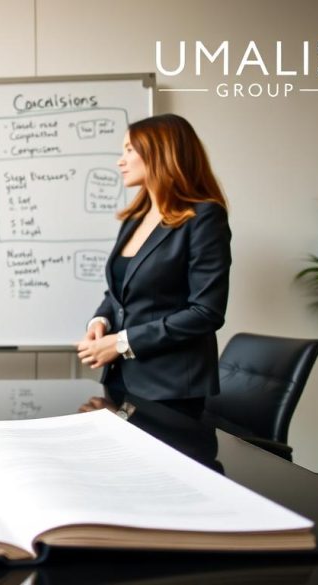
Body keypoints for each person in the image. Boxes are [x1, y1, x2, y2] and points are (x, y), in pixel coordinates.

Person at [75, 114, 231, 417]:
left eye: (129, 150)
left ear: (160, 153)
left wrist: (121, 343)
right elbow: (119, 292)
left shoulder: (204, 218)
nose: (121, 161)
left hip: (171, 390)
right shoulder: (135, 219)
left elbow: (206, 312)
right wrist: (101, 322)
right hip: (121, 381)